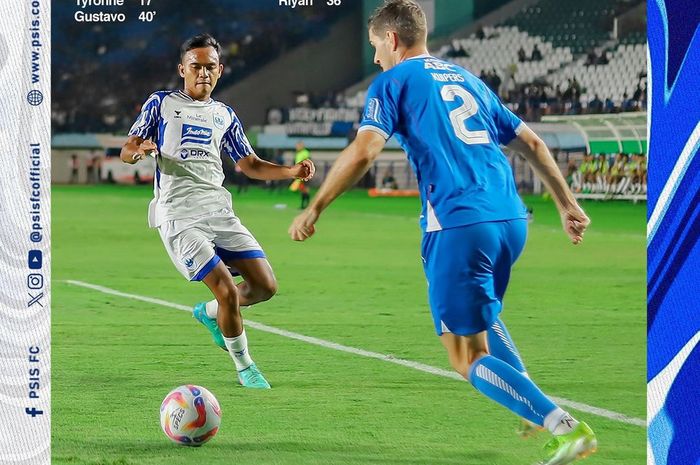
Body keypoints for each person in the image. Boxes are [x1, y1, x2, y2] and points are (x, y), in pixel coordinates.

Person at [288, 2, 595, 463]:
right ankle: (532, 406)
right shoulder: (466, 79)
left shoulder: (393, 81)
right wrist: (567, 204)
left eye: (375, 46)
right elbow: (530, 141)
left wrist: (315, 206)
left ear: (392, 39)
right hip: (511, 219)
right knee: (482, 319)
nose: (374, 58)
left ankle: (565, 427)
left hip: (459, 222)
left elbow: (366, 150)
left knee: (464, 355)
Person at [120, 33, 315, 389]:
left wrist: (290, 171)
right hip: (180, 216)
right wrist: (138, 150)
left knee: (265, 286)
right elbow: (128, 146)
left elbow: (250, 164)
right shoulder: (161, 104)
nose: (203, 73)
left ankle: (209, 315)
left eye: (210, 67)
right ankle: (246, 367)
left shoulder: (224, 115)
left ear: (220, 70)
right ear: (183, 69)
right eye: (196, 66)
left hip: (219, 212)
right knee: (226, 290)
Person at [293, 141, 312, 209]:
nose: (297, 147)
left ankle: (307, 205)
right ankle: (303, 205)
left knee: (305, 189)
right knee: (302, 189)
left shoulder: (305, 153)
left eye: (298, 146)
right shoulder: (298, 154)